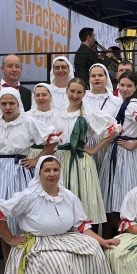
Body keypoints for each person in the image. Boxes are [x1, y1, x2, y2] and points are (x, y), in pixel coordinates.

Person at [0, 155, 118, 274]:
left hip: (65, 238)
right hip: (38, 242)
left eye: (56, 170)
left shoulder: (68, 196)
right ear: (39, 173)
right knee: (54, 259)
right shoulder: (29, 196)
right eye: (47, 170)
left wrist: (101, 240)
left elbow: (81, 225)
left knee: (93, 247)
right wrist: (10, 239)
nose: (52, 174)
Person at [0, 88, 58, 274]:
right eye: (4, 104)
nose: (8, 107)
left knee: (20, 220)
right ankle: (8, 268)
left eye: (12, 103)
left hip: (19, 170)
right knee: (4, 221)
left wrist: (36, 159)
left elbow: (52, 140)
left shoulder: (28, 121)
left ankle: (28, 266)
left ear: (18, 103)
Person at [54, 77, 120, 232]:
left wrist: (93, 150)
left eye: (79, 92)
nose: (75, 95)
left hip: (80, 161)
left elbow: (113, 130)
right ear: (67, 91)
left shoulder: (88, 114)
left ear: (84, 94)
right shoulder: (57, 115)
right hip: (61, 160)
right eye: (72, 91)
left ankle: (89, 239)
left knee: (84, 197)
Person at [99, 71, 137, 240]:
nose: (124, 88)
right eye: (122, 85)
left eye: (129, 86)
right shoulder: (123, 103)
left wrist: (135, 144)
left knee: (120, 195)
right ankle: (114, 236)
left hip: (125, 154)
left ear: (135, 87)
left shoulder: (132, 105)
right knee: (113, 195)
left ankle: (126, 237)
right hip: (118, 150)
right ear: (117, 86)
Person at [83, 64, 123, 170]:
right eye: (93, 76)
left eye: (100, 75)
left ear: (106, 78)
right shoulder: (82, 99)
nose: (97, 78)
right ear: (89, 79)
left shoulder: (116, 101)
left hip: (107, 144)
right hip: (86, 144)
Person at [26, 83, 61, 159]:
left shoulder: (59, 116)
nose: (40, 98)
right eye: (37, 95)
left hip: (54, 155)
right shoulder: (27, 116)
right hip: (32, 156)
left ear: (50, 96)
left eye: (44, 95)